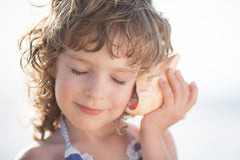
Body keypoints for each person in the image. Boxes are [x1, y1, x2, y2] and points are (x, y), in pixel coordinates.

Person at [15, 0, 198, 159]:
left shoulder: (155, 140)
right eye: (79, 70)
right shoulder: (38, 157)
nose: (96, 92)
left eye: (118, 79)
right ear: (52, 64)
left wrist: (152, 132)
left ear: (138, 82)